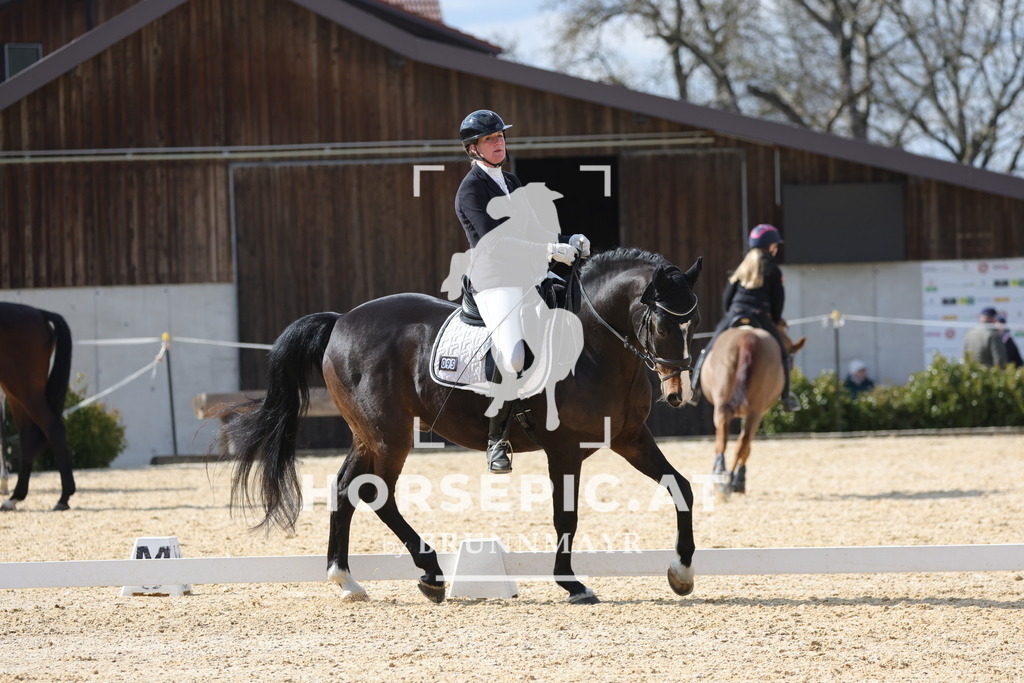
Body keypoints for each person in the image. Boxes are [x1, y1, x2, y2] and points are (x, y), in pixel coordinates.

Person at [454, 109, 590, 473]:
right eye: (490, 139)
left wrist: (566, 239)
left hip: (529, 274)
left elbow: (534, 231)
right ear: (473, 149)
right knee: (513, 356)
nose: (499, 143)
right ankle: (496, 439)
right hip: (494, 280)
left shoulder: (512, 183)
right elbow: (494, 242)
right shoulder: (470, 190)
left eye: (500, 137)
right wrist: (547, 252)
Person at [689, 223, 800, 412]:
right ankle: (786, 398)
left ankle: (695, 389)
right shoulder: (773, 269)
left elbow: (727, 297)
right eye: (776, 245)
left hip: (735, 313)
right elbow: (778, 300)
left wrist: (731, 314)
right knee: (782, 353)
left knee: (708, 349)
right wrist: (774, 318)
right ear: (771, 246)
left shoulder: (743, 266)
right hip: (761, 315)